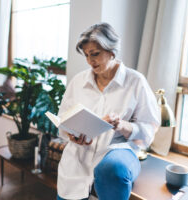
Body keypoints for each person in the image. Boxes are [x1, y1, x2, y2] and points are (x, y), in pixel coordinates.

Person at [56, 23, 160, 200]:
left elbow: (149, 128)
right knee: (70, 184)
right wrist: (71, 134)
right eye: (87, 55)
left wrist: (121, 125)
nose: (90, 61)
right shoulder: (78, 81)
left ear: (112, 51)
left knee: (112, 169)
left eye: (95, 54)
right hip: (79, 155)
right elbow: (62, 119)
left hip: (118, 149)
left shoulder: (136, 82)